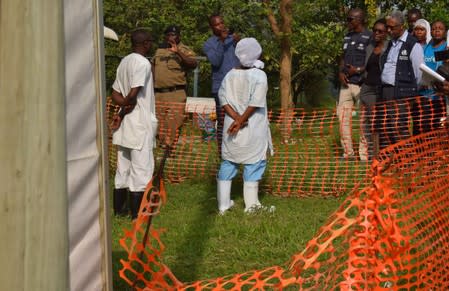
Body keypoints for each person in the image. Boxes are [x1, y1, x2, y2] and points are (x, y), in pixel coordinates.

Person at [216, 37, 274, 214]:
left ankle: (223, 205)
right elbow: (255, 102)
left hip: (231, 126)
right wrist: (241, 121)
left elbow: (222, 98)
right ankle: (251, 206)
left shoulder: (230, 74)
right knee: (253, 163)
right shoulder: (259, 75)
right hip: (252, 127)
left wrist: (235, 118)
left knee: (229, 162)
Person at [110, 29, 157, 220]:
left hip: (126, 124)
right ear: (145, 43)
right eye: (150, 42)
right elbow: (133, 94)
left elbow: (115, 93)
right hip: (139, 123)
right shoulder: (143, 63)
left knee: (123, 169)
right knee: (142, 169)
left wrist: (121, 111)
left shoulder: (124, 61)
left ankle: (119, 210)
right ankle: (138, 214)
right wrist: (126, 106)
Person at [380, 11, 423, 148]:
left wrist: (410, 91)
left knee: (400, 126)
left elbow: (419, 73)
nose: (388, 30)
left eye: (392, 27)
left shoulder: (412, 44)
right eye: (387, 27)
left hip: (403, 92)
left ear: (402, 26)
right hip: (387, 90)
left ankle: (407, 160)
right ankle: (396, 158)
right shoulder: (389, 43)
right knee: (389, 126)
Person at [153, 25, 197, 149]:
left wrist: (178, 52)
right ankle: (161, 150)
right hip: (158, 93)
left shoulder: (184, 49)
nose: (170, 37)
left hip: (176, 93)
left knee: (174, 124)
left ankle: (169, 151)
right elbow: (152, 67)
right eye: (168, 35)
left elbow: (193, 64)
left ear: (179, 36)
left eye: (173, 35)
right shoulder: (159, 50)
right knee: (158, 124)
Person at [337, 8, 372, 160]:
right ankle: (348, 154)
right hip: (345, 85)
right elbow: (342, 57)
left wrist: (357, 70)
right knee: (342, 119)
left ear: (360, 19)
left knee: (364, 120)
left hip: (361, 85)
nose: (348, 22)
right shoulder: (347, 36)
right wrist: (340, 72)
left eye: (350, 19)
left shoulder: (370, 36)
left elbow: (372, 62)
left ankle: (364, 155)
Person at [203, 14, 240, 155]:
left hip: (238, 86)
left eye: (222, 23)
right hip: (221, 89)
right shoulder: (209, 44)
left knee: (240, 118)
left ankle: (238, 151)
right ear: (212, 27)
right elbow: (216, 61)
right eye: (217, 24)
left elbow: (245, 58)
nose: (221, 26)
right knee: (223, 122)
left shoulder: (233, 39)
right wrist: (223, 42)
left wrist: (238, 42)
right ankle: (222, 153)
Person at [358, 18, 388, 160]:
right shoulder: (370, 46)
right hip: (366, 88)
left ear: (386, 32)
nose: (376, 33)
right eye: (374, 30)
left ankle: (377, 154)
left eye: (380, 31)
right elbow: (366, 67)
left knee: (376, 123)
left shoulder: (389, 47)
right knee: (366, 124)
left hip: (378, 90)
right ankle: (370, 154)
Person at [413, 20, 448, 135]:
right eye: (434, 28)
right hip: (424, 94)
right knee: (423, 128)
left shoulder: (446, 48)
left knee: (438, 130)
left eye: (440, 28)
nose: (437, 31)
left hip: (440, 96)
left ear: (445, 31)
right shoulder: (427, 46)